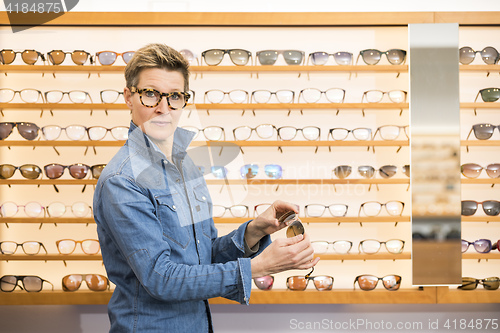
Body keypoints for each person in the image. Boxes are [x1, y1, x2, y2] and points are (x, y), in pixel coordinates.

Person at [93, 43, 319, 333]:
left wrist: (255, 231)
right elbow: (161, 278)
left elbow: (203, 258)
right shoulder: (122, 181)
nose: (164, 108)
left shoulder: (185, 166)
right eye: (151, 94)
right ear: (129, 97)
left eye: (175, 96)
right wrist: (259, 267)